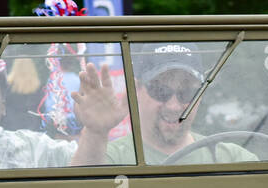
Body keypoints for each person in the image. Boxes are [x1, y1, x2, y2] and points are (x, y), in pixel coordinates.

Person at [105, 44, 257, 166]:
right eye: (161, 91)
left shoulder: (234, 160)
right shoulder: (111, 158)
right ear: (137, 89)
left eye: (187, 92)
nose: (174, 106)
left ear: (200, 94)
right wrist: (95, 132)